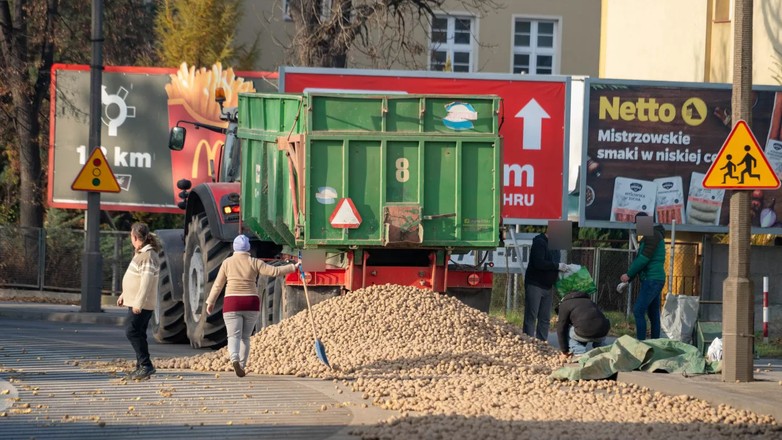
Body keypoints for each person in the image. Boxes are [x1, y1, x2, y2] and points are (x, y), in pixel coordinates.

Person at [205, 234, 300, 377]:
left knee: (233, 336)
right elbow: (274, 271)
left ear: (234, 248)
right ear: (248, 248)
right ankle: (242, 365)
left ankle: (234, 358)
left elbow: (218, 285)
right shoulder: (254, 262)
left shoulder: (227, 263)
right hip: (251, 302)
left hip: (232, 302)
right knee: (245, 337)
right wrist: (294, 267)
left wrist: (210, 302)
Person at [117, 222, 161, 381]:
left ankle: (146, 365)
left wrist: (138, 303)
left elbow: (146, 281)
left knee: (132, 331)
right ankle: (141, 367)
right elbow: (135, 278)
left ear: (135, 237)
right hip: (136, 301)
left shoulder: (148, 256)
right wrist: (124, 294)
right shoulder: (142, 254)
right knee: (138, 333)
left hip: (141, 303)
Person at [621, 212, 666, 340]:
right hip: (654, 279)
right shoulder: (653, 235)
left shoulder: (651, 236)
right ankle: (655, 344)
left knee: (638, 310)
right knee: (653, 315)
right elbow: (642, 261)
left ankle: (641, 343)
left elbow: (643, 259)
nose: (637, 227)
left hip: (652, 280)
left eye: (637, 224)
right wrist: (629, 279)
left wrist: (628, 275)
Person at [523, 229, 568, 341]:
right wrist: (557, 266)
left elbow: (555, 265)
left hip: (548, 286)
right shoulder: (540, 242)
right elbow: (539, 263)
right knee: (531, 316)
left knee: (545, 318)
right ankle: (528, 342)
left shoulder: (556, 247)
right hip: (535, 284)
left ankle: (541, 342)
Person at [556, 291, 610, 359]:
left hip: (585, 331)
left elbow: (561, 328)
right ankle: (603, 348)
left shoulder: (564, 304)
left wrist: (564, 350)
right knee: (596, 326)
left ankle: (579, 351)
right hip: (603, 331)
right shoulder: (589, 301)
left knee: (566, 329)